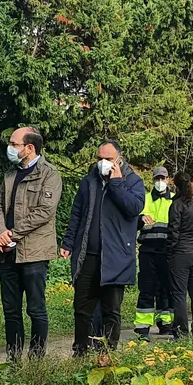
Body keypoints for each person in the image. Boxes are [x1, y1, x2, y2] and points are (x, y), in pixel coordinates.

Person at [61, 140, 144, 355]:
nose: (102, 163)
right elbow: (77, 213)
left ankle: (107, 354)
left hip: (115, 257)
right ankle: (80, 351)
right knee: (82, 309)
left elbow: (134, 208)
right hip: (88, 254)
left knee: (111, 310)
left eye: (108, 159)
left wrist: (117, 184)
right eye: (99, 158)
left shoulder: (133, 181)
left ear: (119, 159)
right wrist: (68, 242)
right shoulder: (89, 181)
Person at [0, 127, 63, 362]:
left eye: (14, 144)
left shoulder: (49, 174)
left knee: (36, 309)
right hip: (7, 252)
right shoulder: (10, 174)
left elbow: (45, 212)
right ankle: (13, 358)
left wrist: (13, 233)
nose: (10, 148)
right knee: (11, 311)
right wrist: (1, 232)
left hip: (34, 253)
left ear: (29, 148)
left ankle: (36, 358)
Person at [134, 166, 174, 339]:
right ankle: (143, 329)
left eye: (162, 178)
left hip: (167, 251)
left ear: (168, 180)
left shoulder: (174, 200)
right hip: (148, 251)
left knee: (167, 289)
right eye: (157, 179)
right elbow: (133, 223)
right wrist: (140, 219)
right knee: (147, 288)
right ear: (153, 180)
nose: (160, 182)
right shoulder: (144, 199)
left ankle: (166, 323)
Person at [167, 172, 193, 338]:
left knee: (179, 294)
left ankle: (181, 332)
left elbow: (174, 231)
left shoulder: (176, 205)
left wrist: (170, 251)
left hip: (181, 253)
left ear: (176, 185)